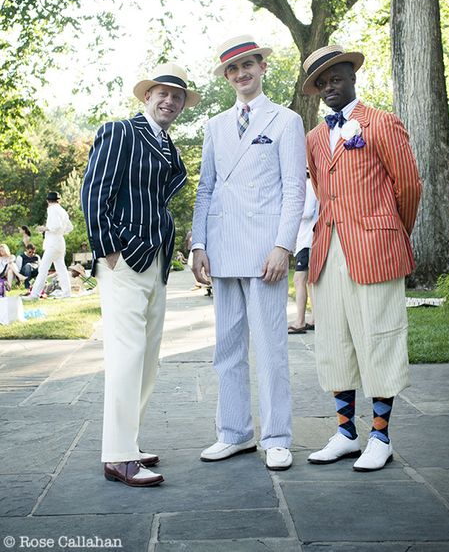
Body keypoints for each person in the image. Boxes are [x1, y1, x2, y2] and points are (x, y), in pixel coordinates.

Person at [302, 45, 422, 472]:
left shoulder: (382, 123)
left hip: (376, 247)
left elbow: (408, 186)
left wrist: (390, 231)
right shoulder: (314, 137)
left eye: (335, 77)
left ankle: (381, 437)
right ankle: (346, 434)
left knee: (379, 338)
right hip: (328, 248)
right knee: (334, 340)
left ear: (352, 75)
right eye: (321, 83)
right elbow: (320, 189)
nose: (329, 87)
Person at [81, 62, 200, 488]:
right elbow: (94, 190)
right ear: (146, 96)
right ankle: (117, 456)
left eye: (177, 96)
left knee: (148, 358)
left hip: (157, 260)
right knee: (127, 354)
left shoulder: (168, 145)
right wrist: (107, 249)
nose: (169, 100)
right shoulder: (120, 131)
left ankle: (127, 442)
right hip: (123, 259)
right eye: (162, 93)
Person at [192, 34, 306, 471]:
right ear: (227, 77)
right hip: (222, 249)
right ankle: (234, 433)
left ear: (263, 68)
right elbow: (206, 188)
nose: (241, 74)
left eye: (248, 66)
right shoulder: (216, 125)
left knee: (271, 347)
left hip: (265, 253)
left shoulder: (285, 119)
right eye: (233, 70)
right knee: (227, 348)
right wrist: (199, 243)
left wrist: (283, 245)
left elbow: (295, 188)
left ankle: (276, 436)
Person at [24, 193, 73, 301]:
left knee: (43, 269)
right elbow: (69, 227)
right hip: (60, 241)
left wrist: (44, 228)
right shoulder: (62, 210)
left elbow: (56, 226)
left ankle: (34, 295)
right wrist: (59, 231)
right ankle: (67, 293)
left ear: (48, 201)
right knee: (61, 268)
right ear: (58, 200)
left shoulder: (52, 209)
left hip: (53, 243)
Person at [287, 171, 319, 334]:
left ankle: (300, 321)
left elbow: (307, 212)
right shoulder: (309, 185)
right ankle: (314, 318)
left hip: (308, 239)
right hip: (304, 240)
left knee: (300, 279)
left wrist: (290, 212)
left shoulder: (308, 185)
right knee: (309, 281)